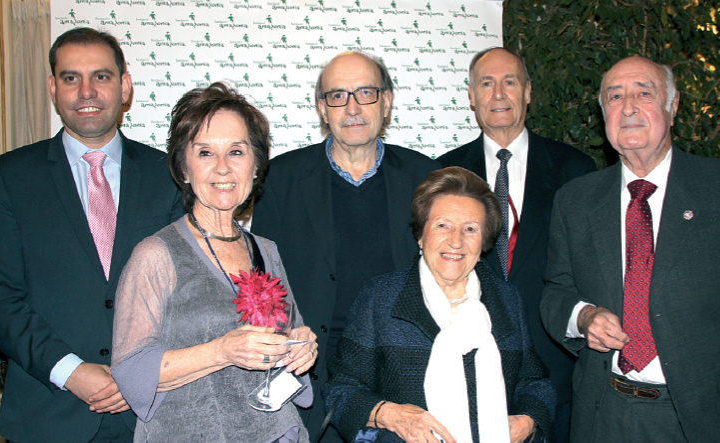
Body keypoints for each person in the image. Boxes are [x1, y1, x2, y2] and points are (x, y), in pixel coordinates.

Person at [540, 55, 720, 442]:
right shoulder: (576, 200)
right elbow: (555, 291)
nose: (627, 107)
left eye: (643, 93)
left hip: (704, 419)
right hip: (603, 415)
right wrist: (583, 316)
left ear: (673, 105)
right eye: (614, 97)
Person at [0, 27, 184, 442]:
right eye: (71, 78)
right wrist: (70, 371)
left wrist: (142, 374)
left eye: (102, 76)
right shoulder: (9, 177)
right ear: (52, 88)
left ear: (125, 87)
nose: (86, 91)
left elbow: (186, 295)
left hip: (151, 416)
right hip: (47, 414)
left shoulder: (170, 176)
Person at [110, 82, 319, 442]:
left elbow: (288, 340)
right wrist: (222, 350)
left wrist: (300, 347)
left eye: (236, 151)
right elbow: (130, 371)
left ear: (255, 166)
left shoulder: (266, 251)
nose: (223, 168)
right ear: (184, 169)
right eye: (205, 153)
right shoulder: (155, 255)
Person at [251, 51, 439, 441]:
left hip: (408, 378)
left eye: (365, 93)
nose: (352, 107)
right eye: (337, 96)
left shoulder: (427, 178)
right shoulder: (281, 180)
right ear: (323, 108)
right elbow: (263, 284)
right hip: (310, 375)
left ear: (386, 101)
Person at [323, 167, 555, 442]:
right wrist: (389, 414)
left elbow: (535, 382)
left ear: (484, 243)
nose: (456, 241)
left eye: (470, 229)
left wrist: (528, 420)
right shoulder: (381, 297)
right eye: (442, 225)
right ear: (421, 236)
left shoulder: (506, 299)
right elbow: (341, 389)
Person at [437, 47, 595, 441]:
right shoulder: (445, 172)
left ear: (528, 92)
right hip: (467, 367)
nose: (499, 94)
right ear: (471, 96)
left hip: (557, 365)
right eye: (486, 84)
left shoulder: (575, 170)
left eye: (510, 82)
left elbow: (590, 269)